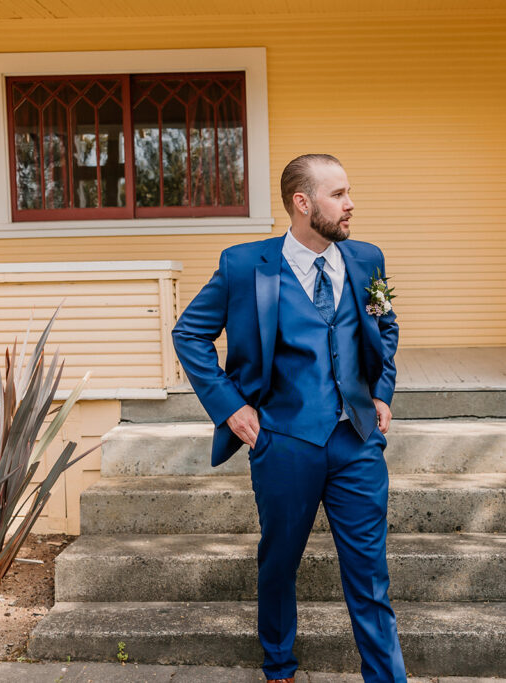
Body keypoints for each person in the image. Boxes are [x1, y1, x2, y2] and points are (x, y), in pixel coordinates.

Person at [171, 153, 406, 682]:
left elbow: (385, 328)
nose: (351, 204)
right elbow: (189, 334)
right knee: (279, 562)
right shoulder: (243, 265)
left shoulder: (367, 259)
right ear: (303, 204)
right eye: (338, 195)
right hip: (283, 440)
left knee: (370, 575)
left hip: (357, 440)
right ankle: (279, 666)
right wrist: (231, 407)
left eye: (349, 193)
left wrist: (383, 389)